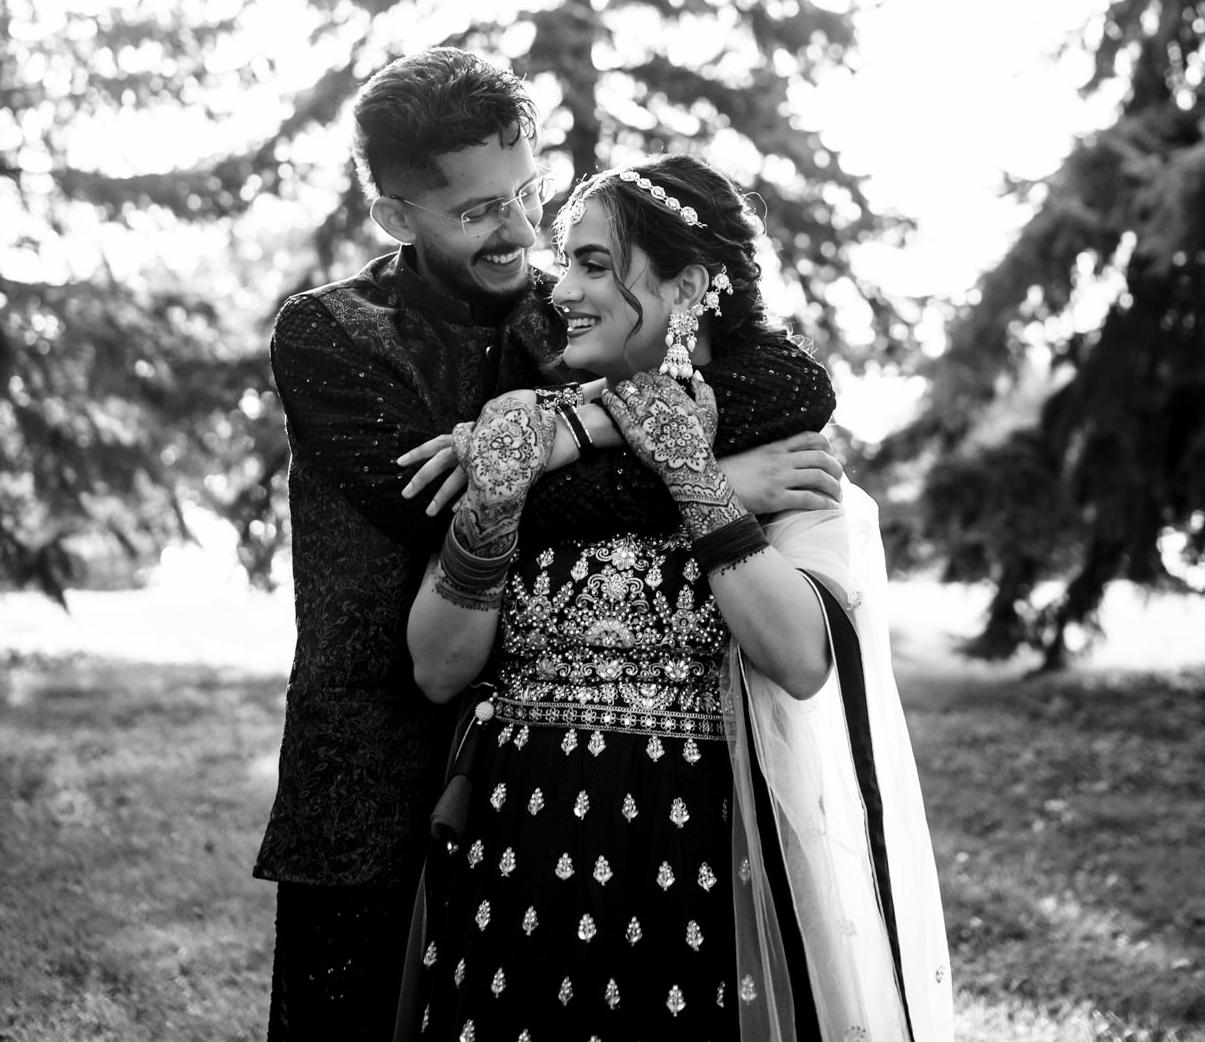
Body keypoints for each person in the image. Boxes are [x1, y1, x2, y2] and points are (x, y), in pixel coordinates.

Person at [256, 52, 847, 1041]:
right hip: (372, 771)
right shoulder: (331, 337)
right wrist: (703, 481)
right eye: (479, 210)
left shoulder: (562, 306)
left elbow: (782, 383)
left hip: (532, 786)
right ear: (399, 216)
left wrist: (577, 430)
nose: (520, 230)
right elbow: (453, 519)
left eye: (525, 191)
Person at [403, 155, 952, 1041]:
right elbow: (436, 668)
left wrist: (698, 478)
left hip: (690, 860)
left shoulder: (785, 460)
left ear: (689, 283)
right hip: (519, 855)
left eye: (591, 264)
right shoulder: (528, 442)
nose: (561, 291)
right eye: (566, 262)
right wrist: (496, 502)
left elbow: (802, 657)